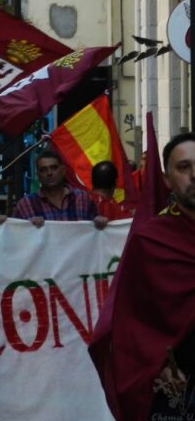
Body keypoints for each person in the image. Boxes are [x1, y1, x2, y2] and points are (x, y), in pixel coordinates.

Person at [89, 132, 195, 421]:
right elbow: (131, 325)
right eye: (184, 167)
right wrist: (157, 365)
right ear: (166, 180)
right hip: (178, 384)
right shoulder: (150, 241)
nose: (194, 175)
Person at [12, 150, 107, 228]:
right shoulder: (25, 205)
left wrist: (101, 224)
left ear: (63, 171)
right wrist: (28, 228)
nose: (49, 173)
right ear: (38, 176)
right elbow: (14, 237)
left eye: (54, 168)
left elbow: (96, 235)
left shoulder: (83, 199)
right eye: (43, 170)